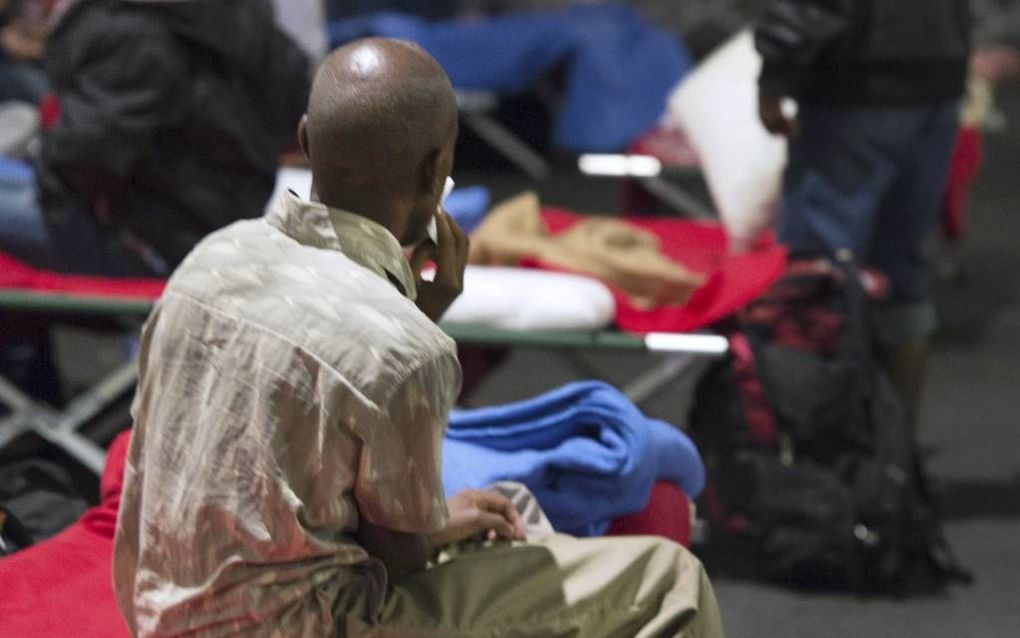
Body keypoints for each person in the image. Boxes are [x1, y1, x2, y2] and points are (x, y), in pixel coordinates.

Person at [112, 38, 724, 638]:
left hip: (158, 610)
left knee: (499, 511)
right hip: (302, 624)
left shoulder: (209, 260)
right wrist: (417, 323)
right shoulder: (403, 346)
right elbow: (398, 555)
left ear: (304, 141)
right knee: (667, 576)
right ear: (438, 170)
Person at [755, 0, 971, 423]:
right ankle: (892, 455)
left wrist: (775, 74)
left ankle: (818, 454)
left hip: (855, 88)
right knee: (902, 272)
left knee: (818, 279)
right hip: (938, 82)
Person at [31, 0, 310, 276]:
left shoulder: (139, 33)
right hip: (223, 228)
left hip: (147, 240)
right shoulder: (248, 20)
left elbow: (78, 161)